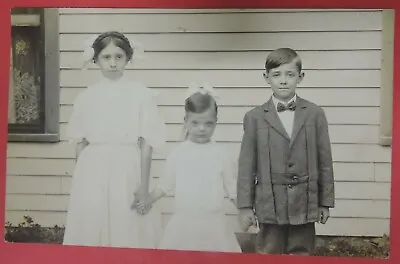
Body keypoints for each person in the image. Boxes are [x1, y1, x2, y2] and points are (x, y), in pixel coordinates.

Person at [63, 31, 166, 248]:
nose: (112, 63)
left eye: (118, 56)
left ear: (128, 58)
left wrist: (144, 187)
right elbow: (80, 144)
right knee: (94, 224)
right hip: (93, 169)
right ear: (96, 59)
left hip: (127, 166)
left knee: (126, 223)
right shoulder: (86, 97)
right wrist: (82, 184)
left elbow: (147, 144)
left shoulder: (141, 94)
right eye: (106, 57)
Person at [236, 48, 335, 255]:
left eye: (290, 75)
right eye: (276, 75)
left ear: (300, 77)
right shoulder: (254, 118)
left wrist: (325, 203)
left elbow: (325, 162)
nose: (283, 81)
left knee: (302, 252)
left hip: (305, 202)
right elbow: (246, 166)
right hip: (269, 204)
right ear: (266, 78)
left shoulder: (315, 115)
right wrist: (245, 206)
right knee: (269, 251)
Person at [137, 83, 242, 253]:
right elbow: (164, 185)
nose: (201, 129)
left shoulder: (221, 154)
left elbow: (232, 189)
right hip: (184, 224)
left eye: (208, 124)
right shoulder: (178, 154)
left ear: (216, 122)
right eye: (195, 123)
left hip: (213, 225)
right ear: (186, 121)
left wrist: (245, 209)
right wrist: (148, 199)